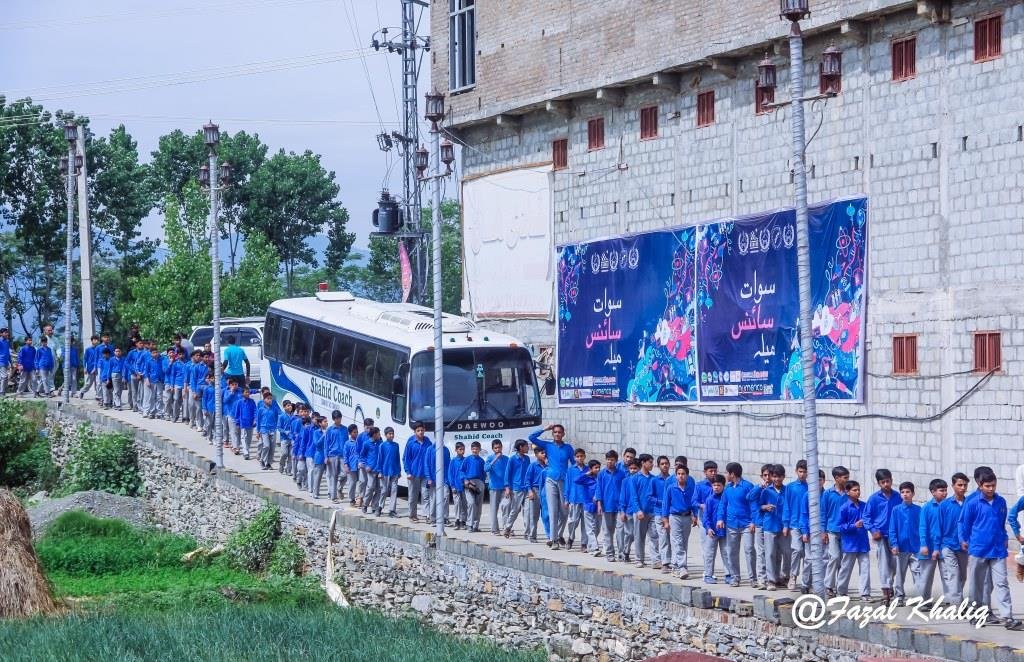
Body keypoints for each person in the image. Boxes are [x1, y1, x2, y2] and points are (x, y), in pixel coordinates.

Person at [959, 471, 1023, 630]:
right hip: (978, 550)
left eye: (993, 485)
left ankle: (1007, 617)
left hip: (997, 550)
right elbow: (963, 523)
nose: (990, 489)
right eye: (987, 486)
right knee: (977, 585)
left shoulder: (1001, 502)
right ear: (980, 486)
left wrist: (1005, 536)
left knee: (1002, 583)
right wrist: (964, 540)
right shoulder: (973, 503)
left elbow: (1001, 523)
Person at [529, 423, 575, 549]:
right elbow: (531, 437)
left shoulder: (568, 448)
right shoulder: (548, 445)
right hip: (550, 480)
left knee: (565, 512)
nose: (557, 434)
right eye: (555, 432)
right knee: (553, 511)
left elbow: (574, 464)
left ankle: (559, 534)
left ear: (563, 434)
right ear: (552, 433)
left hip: (564, 481)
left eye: (559, 432)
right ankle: (553, 540)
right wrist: (545, 428)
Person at [865, 468, 901, 605]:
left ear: (891, 480)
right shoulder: (874, 499)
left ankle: (891, 585)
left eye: (888, 481)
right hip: (881, 535)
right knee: (883, 563)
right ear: (879, 483)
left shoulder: (898, 497)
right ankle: (886, 591)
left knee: (895, 564)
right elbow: (867, 517)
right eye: (883, 482)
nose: (886, 484)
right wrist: (873, 530)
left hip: (895, 536)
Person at [719, 462, 756, 588]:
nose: (726, 475)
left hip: (746, 525)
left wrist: (753, 521)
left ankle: (753, 578)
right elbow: (723, 505)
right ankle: (735, 577)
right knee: (731, 552)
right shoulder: (728, 489)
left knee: (749, 550)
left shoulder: (747, 486)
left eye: (727, 472)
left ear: (732, 474)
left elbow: (753, 505)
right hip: (731, 525)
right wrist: (720, 519)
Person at [889, 481, 923, 601]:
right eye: (902, 492)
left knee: (918, 572)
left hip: (916, 547)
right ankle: (899, 596)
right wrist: (894, 544)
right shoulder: (896, 510)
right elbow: (892, 529)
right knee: (899, 573)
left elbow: (922, 528)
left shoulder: (919, 510)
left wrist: (923, 545)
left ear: (913, 494)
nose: (905, 494)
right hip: (901, 548)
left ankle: (921, 596)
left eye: (908, 492)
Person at [836, 480, 871, 599]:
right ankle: (841, 591)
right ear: (847, 492)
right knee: (846, 568)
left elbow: (869, 520)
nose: (857, 492)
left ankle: (865, 593)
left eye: (858, 490)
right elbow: (840, 526)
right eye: (854, 490)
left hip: (863, 543)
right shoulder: (844, 508)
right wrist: (853, 526)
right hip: (850, 544)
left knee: (865, 568)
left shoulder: (864, 506)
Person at [939, 472, 970, 604]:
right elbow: (938, 527)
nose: (962, 488)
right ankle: (957, 606)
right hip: (948, 545)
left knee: (962, 577)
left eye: (965, 485)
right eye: (959, 485)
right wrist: (937, 547)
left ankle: (955, 598)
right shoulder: (944, 505)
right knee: (954, 575)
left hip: (964, 547)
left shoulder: (970, 503)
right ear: (953, 486)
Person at [662, 463, 696, 579]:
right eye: (679, 474)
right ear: (676, 475)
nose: (681, 476)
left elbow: (693, 503)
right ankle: (682, 567)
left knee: (684, 542)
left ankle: (676, 566)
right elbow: (665, 505)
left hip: (686, 517)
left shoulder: (690, 489)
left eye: (683, 474)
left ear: (687, 476)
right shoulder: (671, 488)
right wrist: (665, 520)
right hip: (674, 517)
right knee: (677, 541)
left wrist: (695, 516)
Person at [756, 465, 786, 590]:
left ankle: (778, 577)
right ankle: (771, 581)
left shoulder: (787, 490)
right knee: (769, 554)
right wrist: (765, 507)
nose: (776, 479)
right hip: (769, 525)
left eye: (779, 476)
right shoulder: (766, 491)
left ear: (783, 477)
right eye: (774, 476)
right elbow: (758, 505)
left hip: (783, 526)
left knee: (780, 554)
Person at [916, 478, 947, 600]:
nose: (944, 493)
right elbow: (922, 527)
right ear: (933, 492)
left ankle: (951, 601)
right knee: (926, 576)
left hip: (944, 547)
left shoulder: (948, 506)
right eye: (941, 490)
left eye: (945, 490)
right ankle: (924, 601)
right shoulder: (927, 508)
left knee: (948, 576)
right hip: (928, 547)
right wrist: (923, 544)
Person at [822, 466, 850, 597]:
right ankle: (829, 586)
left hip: (846, 531)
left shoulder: (849, 493)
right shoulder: (828, 494)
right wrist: (823, 531)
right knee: (834, 557)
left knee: (844, 560)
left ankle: (842, 587)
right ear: (837, 478)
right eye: (845, 478)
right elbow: (823, 513)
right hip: (832, 530)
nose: (847, 480)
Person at [629, 454, 660, 568]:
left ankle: (656, 560)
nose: (652, 465)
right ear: (643, 463)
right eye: (650, 462)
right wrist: (638, 510)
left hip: (652, 512)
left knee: (654, 536)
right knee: (639, 536)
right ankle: (639, 559)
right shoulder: (635, 478)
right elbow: (634, 496)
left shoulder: (653, 479)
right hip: (640, 512)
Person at [783, 460, 809, 590]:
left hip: (808, 525)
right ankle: (792, 576)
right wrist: (786, 524)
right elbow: (786, 506)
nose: (802, 474)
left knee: (808, 555)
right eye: (800, 471)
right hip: (795, 524)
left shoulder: (811, 488)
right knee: (797, 550)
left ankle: (807, 581)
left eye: (805, 472)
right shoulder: (790, 487)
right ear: (796, 471)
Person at [595, 450, 625, 560]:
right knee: (607, 531)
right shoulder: (602, 474)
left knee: (620, 531)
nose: (610, 462)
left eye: (612, 460)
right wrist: (599, 504)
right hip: (606, 506)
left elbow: (624, 490)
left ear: (616, 461)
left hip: (619, 507)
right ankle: (610, 553)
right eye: (608, 460)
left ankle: (622, 553)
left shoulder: (621, 474)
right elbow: (599, 489)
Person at [503, 439, 532, 537]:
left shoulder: (527, 459)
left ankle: (527, 533)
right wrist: (507, 487)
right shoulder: (512, 459)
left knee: (527, 511)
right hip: (517, 488)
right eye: (526, 446)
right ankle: (508, 527)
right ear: (521, 447)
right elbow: (508, 473)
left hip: (527, 488)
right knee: (515, 510)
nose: (528, 447)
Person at [403, 422, 431, 522]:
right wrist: (408, 472)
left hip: (425, 474)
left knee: (426, 494)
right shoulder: (411, 444)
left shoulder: (428, 442)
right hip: (413, 474)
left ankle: (426, 515)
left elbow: (430, 457)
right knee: (413, 496)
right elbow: (406, 459)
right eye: (418, 431)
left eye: (422, 430)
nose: (420, 432)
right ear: (414, 432)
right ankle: (412, 515)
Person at [703, 474, 728, 583]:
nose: (716, 487)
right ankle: (708, 575)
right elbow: (706, 516)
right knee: (709, 554)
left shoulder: (726, 498)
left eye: (719, 485)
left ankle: (729, 574)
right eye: (714, 485)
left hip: (725, 531)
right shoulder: (709, 500)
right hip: (712, 531)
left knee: (727, 553)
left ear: (723, 486)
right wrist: (708, 528)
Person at [422, 437, 451, 526]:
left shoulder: (446, 450)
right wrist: (429, 478)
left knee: (446, 496)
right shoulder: (430, 449)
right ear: (436, 436)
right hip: (433, 479)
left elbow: (448, 465)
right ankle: (433, 518)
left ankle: (445, 517)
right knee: (433, 499)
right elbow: (426, 464)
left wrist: (448, 479)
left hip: (444, 479)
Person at [575, 459, 602, 554]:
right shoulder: (586, 479)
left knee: (597, 528)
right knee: (590, 528)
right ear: (591, 469)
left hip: (598, 507)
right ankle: (595, 548)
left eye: (599, 467)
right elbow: (576, 480)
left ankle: (590, 546)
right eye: (595, 468)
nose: (598, 469)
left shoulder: (600, 478)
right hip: (588, 506)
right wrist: (587, 474)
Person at [485, 439, 510, 536]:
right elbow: (486, 469)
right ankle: (494, 529)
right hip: (494, 487)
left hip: (504, 487)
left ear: (502, 447)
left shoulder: (506, 459)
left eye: (499, 447)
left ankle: (506, 527)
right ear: (492, 449)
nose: (497, 449)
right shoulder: (490, 458)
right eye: (495, 448)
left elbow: (509, 472)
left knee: (506, 506)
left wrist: (508, 486)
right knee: (494, 509)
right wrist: (495, 460)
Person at [565, 448, 589, 551]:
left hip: (586, 499)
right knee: (573, 521)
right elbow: (567, 484)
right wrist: (566, 499)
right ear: (574, 458)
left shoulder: (588, 469)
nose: (579, 458)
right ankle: (571, 537)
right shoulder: (571, 470)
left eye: (581, 456)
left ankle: (584, 543)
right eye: (577, 456)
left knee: (585, 523)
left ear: (584, 457)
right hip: (574, 498)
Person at [460, 441, 486, 532]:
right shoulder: (467, 459)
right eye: (473, 449)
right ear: (471, 449)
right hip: (469, 482)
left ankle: (475, 525)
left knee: (478, 505)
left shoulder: (482, 461)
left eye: (477, 449)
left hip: (479, 482)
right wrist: (466, 480)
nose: (475, 450)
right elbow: (462, 471)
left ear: (479, 449)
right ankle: (469, 524)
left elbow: (484, 474)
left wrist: (482, 483)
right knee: (471, 503)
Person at [375, 427, 402, 517]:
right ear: (386, 435)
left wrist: (399, 470)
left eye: (392, 433)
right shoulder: (382, 446)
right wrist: (379, 471)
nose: (391, 435)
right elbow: (380, 459)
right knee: (384, 491)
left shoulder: (396, 445)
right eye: (389, 434)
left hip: (394, 471)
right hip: (385, 471)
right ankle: (380, 507)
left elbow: (398, 458)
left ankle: (392, 510)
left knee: (394, 490)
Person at [524, 446, 547, 543]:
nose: (544, 455)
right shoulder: (532, 466)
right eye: (542, 453)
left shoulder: (548, 466)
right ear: (536, 455)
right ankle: (532, 535)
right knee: (534, 515)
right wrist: (530, 491)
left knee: (547, 514)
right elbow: (527, 480)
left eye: (545, 453)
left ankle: (550, 535)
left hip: (546, 490)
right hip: (535, 490)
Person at [361, 427, 384, 514]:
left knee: (379, 489)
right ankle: (365, 504)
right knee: (370, 487)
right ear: (374, 434)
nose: (380, 435)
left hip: (380, 470)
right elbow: (362, 456)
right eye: (378, 434)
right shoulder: (366, 444)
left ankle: (374, 506)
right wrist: (366, 465)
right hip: (371, 470)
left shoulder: (381, 443)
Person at [325, 410, 345, 502]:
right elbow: (326, 444)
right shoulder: (329, 430)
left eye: (340, 418)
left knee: (345, 474)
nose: (339, 420)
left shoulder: (344, 429)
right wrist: (326, 456)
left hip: (342, 455)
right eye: (337, 418)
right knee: (334, 476)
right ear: (334, 419)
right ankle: (333, 497)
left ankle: (339, 488)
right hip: (332, 455)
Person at [257, 392, 279, 470]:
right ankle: (262, 460)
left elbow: (276, 419)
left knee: (272, 447)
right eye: (268, 399)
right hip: (264, 429)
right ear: (264, 399)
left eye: (271, 399)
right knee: (266, 445)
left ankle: (269, 463)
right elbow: (258, 420)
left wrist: (275, 427)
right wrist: (258, 431)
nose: (270, 400)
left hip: (272, 429)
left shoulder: (274, 409)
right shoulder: (261, 409)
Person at [448, 442, 468, 529]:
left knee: (464, 504)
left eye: (463, 449)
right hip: (456, 486)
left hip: (465, 486)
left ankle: (463, 521)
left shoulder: (466, 460)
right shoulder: (453, 461)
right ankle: (457, 519)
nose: (462, 451)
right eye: (460, 449)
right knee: (457, 503)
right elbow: (450, 474)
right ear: (456, 450)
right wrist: (452, 486)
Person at [234, 385, 256, 459]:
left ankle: (247, 450)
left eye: (248, 392)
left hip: (250, 422)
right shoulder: (239, 402)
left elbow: (255, 411)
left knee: (249, 438)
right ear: (242, 393)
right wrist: (237, 422)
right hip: (243, 422)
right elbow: (237, 413)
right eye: (246, 392)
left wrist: (255, 420)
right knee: (243, 437)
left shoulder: (252, 401)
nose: (247, 394)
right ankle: (245, 452)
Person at [309, 416, 328, 498]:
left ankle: (330, 493)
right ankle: (315, 493)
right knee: (318, 476)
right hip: (319, 456)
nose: (326, 423)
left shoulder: (329, 431)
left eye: (327, 421)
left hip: (328, 456)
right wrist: (323, 436)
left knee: (329, 476)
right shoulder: (316, 432)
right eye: (324, 421)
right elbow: (316, 443)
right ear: (320, 423)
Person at [343, 423, 361, 506]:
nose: (356, 434)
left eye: (357, 432)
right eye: (354, 432)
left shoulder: (360, 442)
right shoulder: (347, 443)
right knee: (352, 483)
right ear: (350, 433)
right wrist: (346, 465)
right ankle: (351, 499)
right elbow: (345, 455)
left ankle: (360, 498)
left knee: (361, 482)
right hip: (351, 466)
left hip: (360, 466)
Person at [79, 335, 100, 400]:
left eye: (97, 340)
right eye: (95, 339)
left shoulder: (99, 349)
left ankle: (98, 395)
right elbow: (85, 359)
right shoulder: (88, 349)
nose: (96, 341)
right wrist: (85, 368)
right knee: (89, 383)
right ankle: (82, 391)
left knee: (98, 382)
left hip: (97, 368)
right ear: (92, 341)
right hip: (90, 368)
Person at [277, 401, 294, 475]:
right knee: (284, 454)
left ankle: (288, 470)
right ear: (284, 407)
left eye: (290, 405)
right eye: (288, 405)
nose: (289, 407)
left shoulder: (293, 416)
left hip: (292, 438)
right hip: (284, 439)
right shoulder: (281, 416)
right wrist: (285, 431)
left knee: (291, 455)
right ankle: (281, 465)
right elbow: (278, 427)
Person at [0, 328, 11, 396]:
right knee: (4, 376)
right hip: (1, 361)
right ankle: (2, 392)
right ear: (1, 334)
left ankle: (3, 391)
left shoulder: (7, 342)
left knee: (4, 377)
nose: (7, 334)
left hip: (6, 362)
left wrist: (11, 362)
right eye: (5, 332)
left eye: (7, 332)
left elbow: (8, 353)